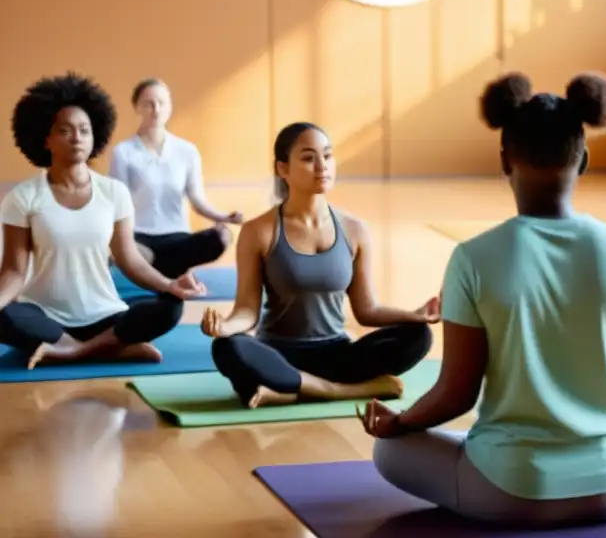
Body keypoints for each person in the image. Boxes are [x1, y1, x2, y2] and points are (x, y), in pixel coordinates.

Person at [356, 71, 606, 529]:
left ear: (505, 161)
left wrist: (400, 423)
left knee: (391, 450)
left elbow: (455, 396)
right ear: (583, 160)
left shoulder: (472, 258)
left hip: (507, 492)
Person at [200, 122, 436, 409]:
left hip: (336, 355)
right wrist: (224, 327)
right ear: (283, 169)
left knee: (419, 336)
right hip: (279, 356)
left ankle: (291, 390)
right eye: (309, 158)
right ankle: (338, 391)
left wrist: (415, 315)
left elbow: (367, 310)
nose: (322, 166)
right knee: (227, 348)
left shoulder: (354, 230)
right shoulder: (258, 231)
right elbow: (248, 311)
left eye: (327, 155)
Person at [0, 73, 206, 369]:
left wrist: (171, 285)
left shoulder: (113, 192)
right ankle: (112, 349)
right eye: (65, 130)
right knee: (5, 315)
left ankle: (71, 351)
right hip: (45, 316)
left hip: (104, 315)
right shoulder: (23, 197)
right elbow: (13, 272)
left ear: (95, 135)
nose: (77, 138)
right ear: (46, 139)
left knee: (170, 307)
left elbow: (130, 260)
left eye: (84, 130)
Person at [108, 78, 242, 280]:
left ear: (169, 106)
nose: (156, 109)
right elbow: (117, 204)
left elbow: (196, 198)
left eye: (161, 103)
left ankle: (159, 267)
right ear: (137, 107)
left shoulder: (187, 151)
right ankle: (154, 266)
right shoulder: (123, 152)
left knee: (223, 236)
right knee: (123, 247)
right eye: (148, 103)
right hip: (139, 239)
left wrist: (223, 217)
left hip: (178, 238)